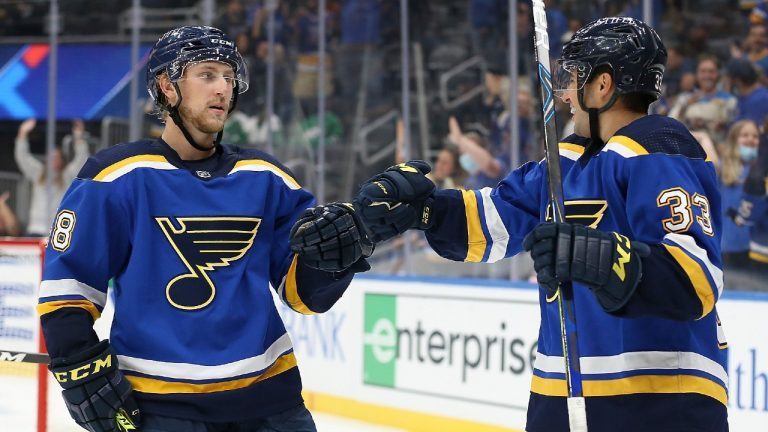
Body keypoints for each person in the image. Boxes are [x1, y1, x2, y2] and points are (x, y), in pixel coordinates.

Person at [353, 17, 727, 431]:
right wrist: (424, 211)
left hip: (659, 398)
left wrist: (600, 258)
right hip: (560, 395)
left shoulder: (659, 148)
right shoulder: (566, 161)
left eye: (574, 77)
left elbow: (695, 279)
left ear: (603, 85)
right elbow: (493, 221)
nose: (565, 94)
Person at [37, 26, 372, 432]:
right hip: (159, 407)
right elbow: (67, 285)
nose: (223, 90)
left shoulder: (266, 177)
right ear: (167, 86)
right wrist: (79, 366)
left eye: (229, 78)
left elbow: (303, 295)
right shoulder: (117, 176)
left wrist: (337, 255)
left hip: (270, 404)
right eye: (208, 74)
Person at [14, 118, 90, 236]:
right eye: (50, 157)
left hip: (57, 230)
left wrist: (79, 138)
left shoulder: (67, 175)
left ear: (62, 160)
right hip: (36, 229)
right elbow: (22, 157)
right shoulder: (38, 172)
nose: (53, 160)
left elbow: (82, 160)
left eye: (56, 157)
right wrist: (22, 133)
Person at [720, 120, 760, 269]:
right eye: (745, 135)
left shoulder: (762, 170)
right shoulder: (723, 168)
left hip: (756, 247)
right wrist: (704, 137)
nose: (751, 139)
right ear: (733, 140)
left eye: (755, 136)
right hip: (727, 247)